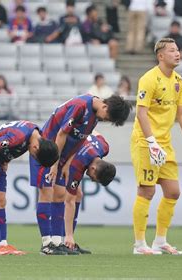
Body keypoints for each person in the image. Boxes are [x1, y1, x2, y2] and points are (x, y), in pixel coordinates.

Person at [31, 94, 131, 255]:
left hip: (62, 155)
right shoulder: (80, 106)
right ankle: (46, 244)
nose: (105, 120)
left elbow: (82, 140)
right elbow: (62, 134)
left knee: (59, 195)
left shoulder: (95, 116)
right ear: (105, 107)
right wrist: (55, 164)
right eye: (107, 117)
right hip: (45, 150)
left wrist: (68, 162)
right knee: (46, 192)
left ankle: (57, 242)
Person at [131, 38, 182, 255]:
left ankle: (160, 241)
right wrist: (151, 143)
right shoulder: (148, 79)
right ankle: (140, 244)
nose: (177, 53)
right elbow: (141, 112)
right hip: (145, 142)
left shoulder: (179, 80)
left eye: (178, 50)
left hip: (165, 144)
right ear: (161, 56)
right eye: (172, 50)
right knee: (147, 190)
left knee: (173, 191)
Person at [0, 120, 59, 255]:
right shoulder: (19, 137)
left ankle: (4, 244)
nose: (33, 156)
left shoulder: (35, 134)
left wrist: (6, 160)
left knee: (1, 201)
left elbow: (8, 142)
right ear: (36, 148)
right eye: (35, 156)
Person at [61, 133, 116, 254]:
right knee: (62, 195)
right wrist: (69, 235)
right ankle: (63, 240)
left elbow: (95, 131)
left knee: (78, 194)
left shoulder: (104, 147)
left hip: (69, 149)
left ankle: (68, 242)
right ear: (93, 169)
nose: (91, 179)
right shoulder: (77, 166)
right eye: (94, 178)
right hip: (57, 154)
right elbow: (69, 201)